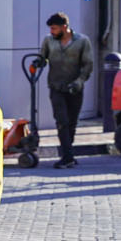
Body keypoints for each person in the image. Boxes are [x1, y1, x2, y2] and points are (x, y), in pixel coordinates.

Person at [41, 12, 95, 168]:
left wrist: (79, 82)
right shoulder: (48, 41)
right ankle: (67, 156)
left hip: (75, 89)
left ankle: (68, 154)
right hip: (56, 87)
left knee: (71, 122)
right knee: (62, 121)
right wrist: (37, 63)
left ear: (64, 27)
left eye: (54, 28)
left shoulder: (82, 42)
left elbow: (87, 65)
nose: (52, 32)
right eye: (51, 29)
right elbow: (42, 57)